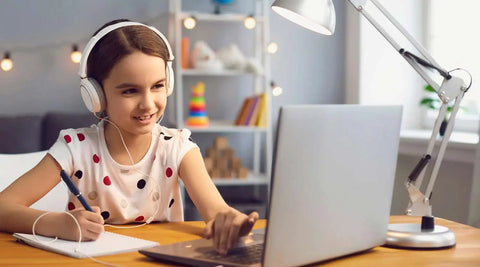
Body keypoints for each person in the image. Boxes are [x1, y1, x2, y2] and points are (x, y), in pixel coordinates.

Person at [0, 19, 258, 255]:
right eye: (130, 91)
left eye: (157, 86)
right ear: (96, 96)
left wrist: (229, 220)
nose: (148, 104)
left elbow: (217, 212)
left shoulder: (178, 148)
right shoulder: (74, 147)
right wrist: (55, 223)